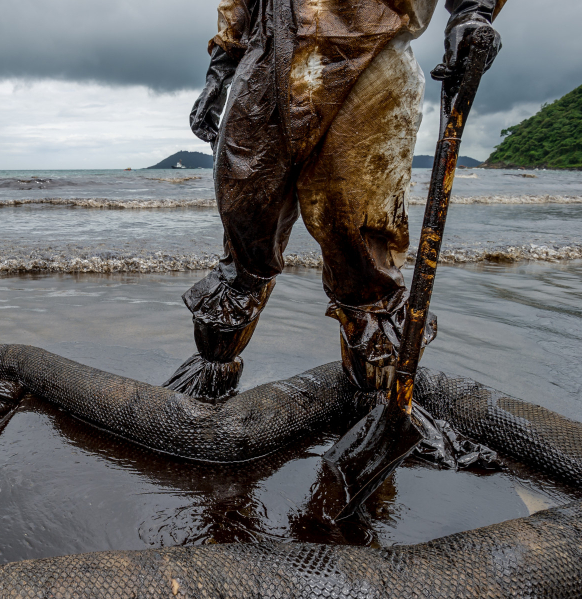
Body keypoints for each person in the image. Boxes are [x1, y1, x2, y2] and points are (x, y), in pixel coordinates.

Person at [166, 0, 504, 400]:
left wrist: (473, 12)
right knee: (244, 223)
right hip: (263, 64)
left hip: (368, 55)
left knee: (358, 244)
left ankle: (373, 402)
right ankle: (211, 379)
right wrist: (219, 71)